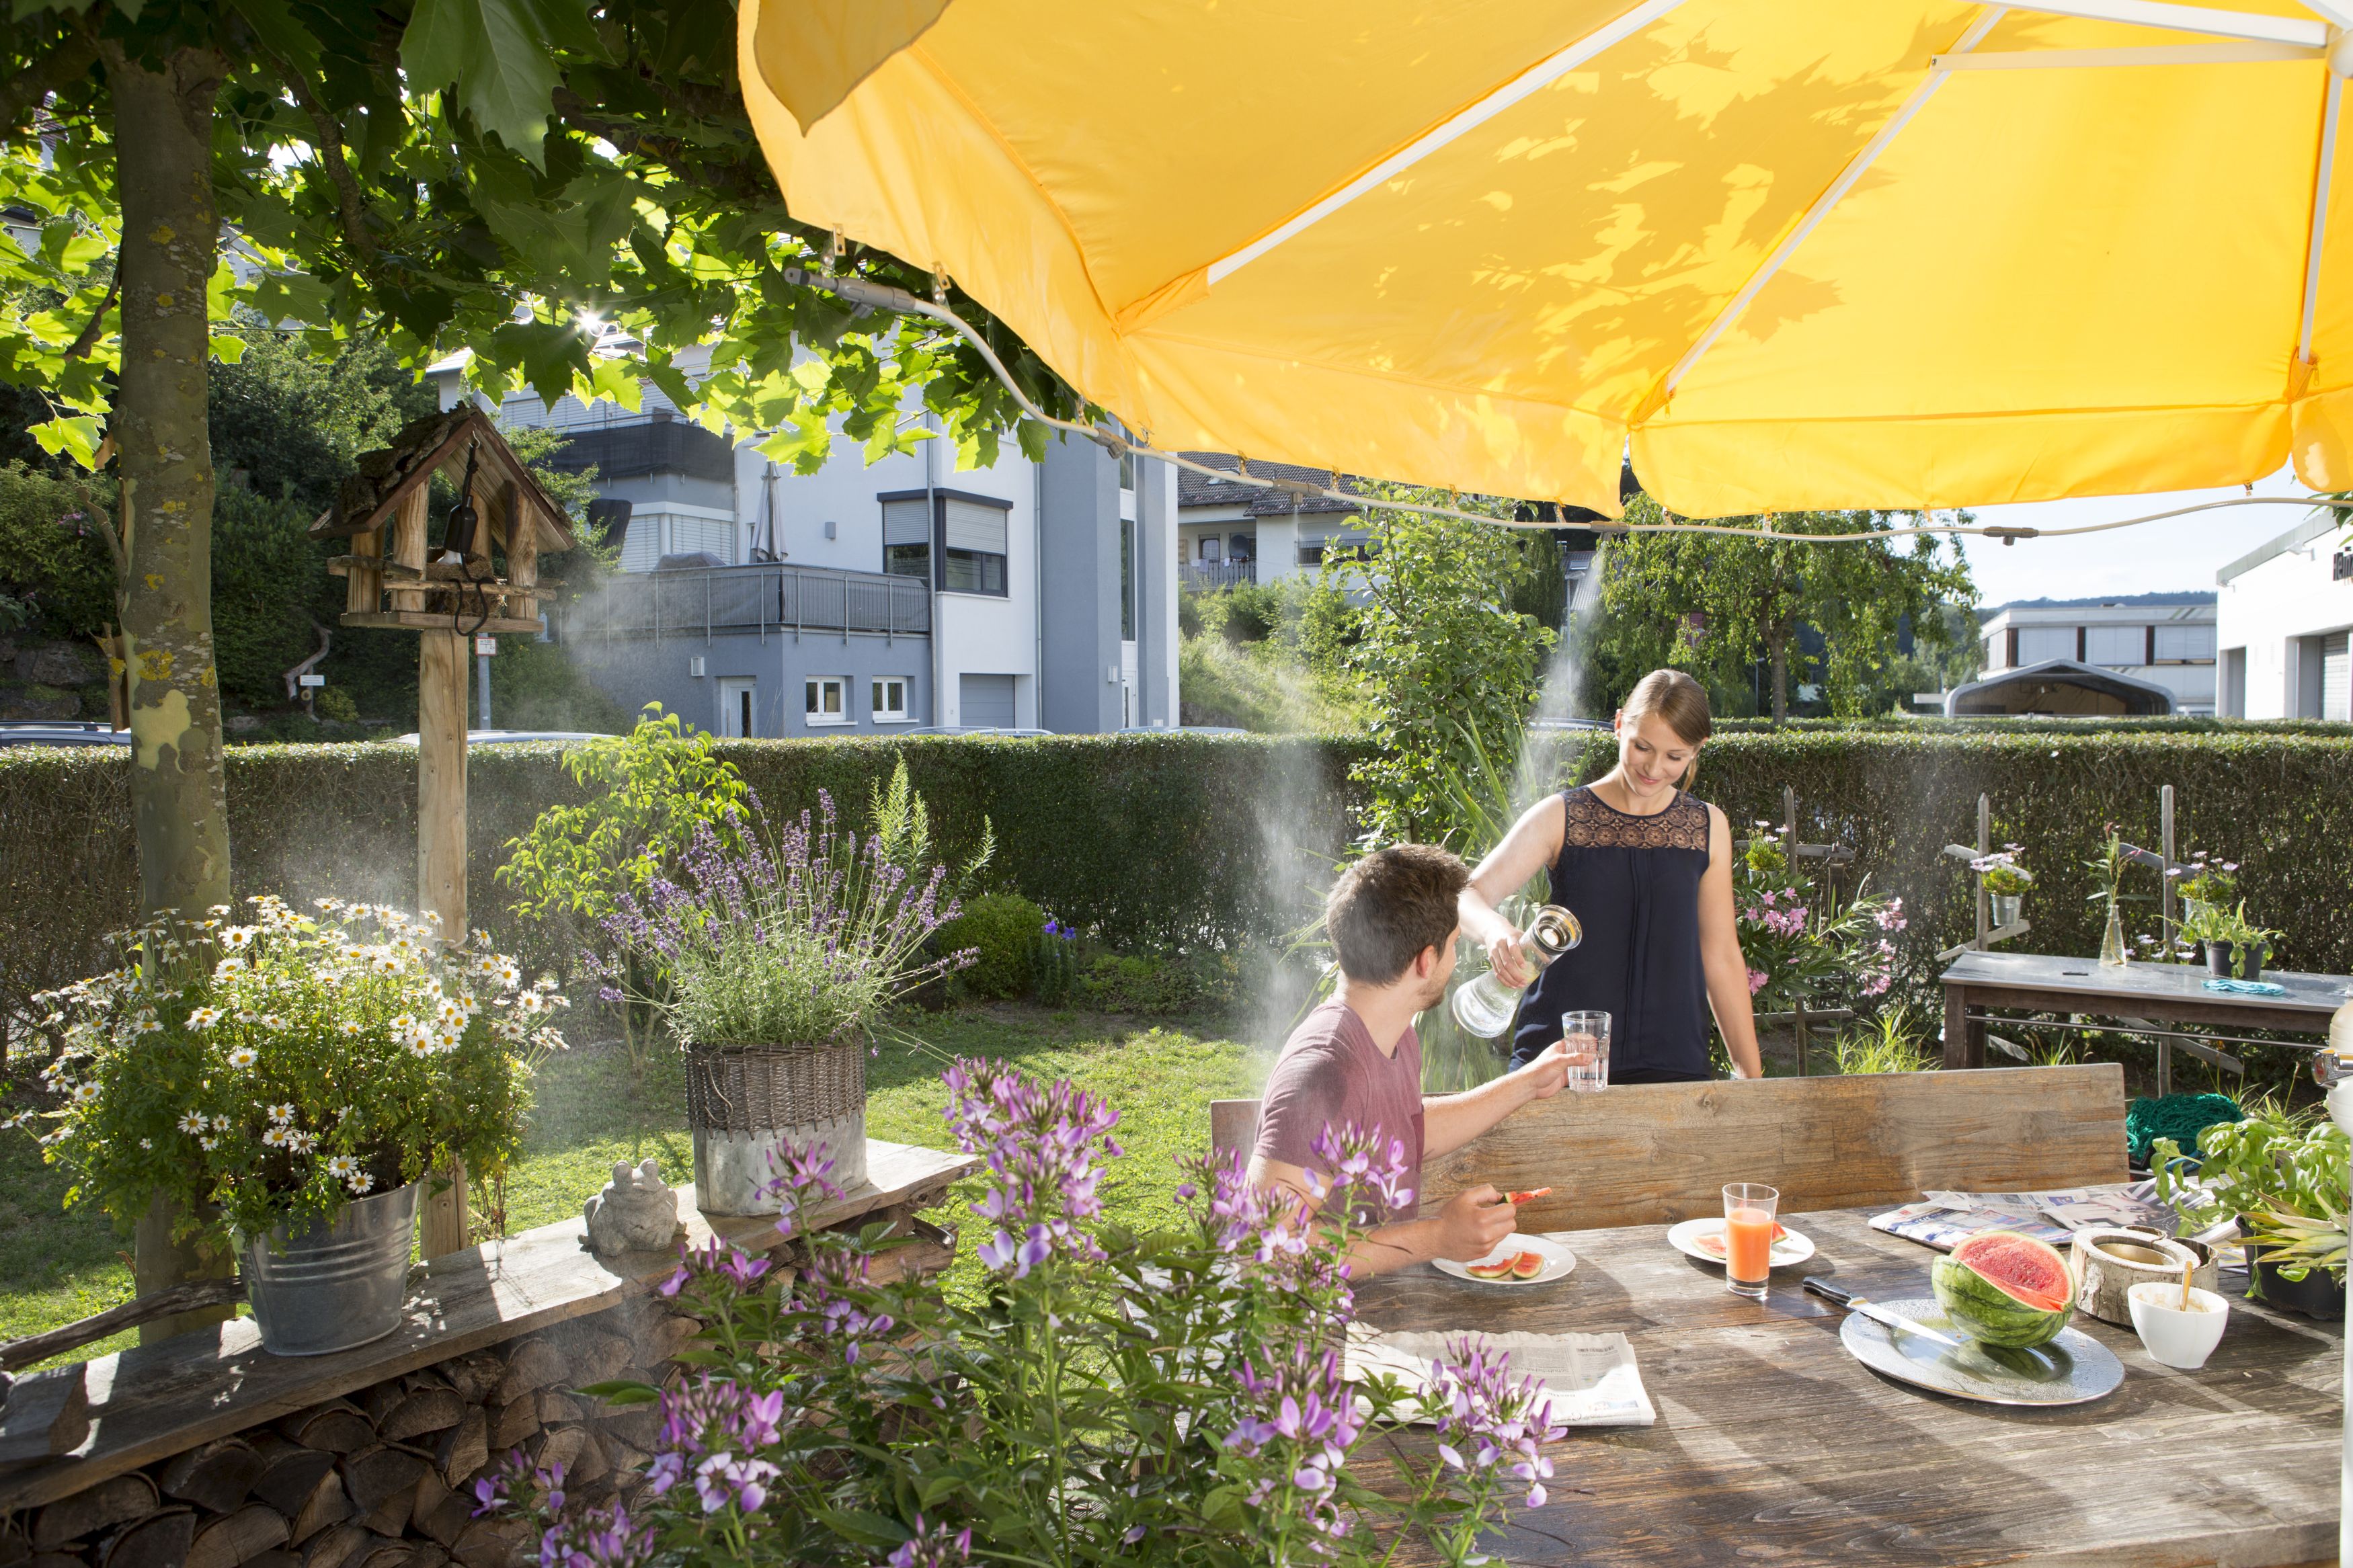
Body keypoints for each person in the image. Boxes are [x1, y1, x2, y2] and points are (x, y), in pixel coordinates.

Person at [1249, 843, 1574, 1276]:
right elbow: (1268, 1249)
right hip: (1325, 1332)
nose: (1456, 961)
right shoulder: (1324, 1070)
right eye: (1454, 945)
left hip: (1386, 1309)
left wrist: (1529, 1082)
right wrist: (1437, 1238)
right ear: (1426, 960)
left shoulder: (1394, 1034)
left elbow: (1403, 1132)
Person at [1458, 669, 1765, 1083]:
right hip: (1559, 1064)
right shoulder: (1561, 816)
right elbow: (1466, 896)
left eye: (1675, 756)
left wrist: (1752, 1079)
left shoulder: (1708, 827)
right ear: (1619, 725)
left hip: (1674, 1065)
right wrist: (1496, 931)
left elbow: (1722, 955)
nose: (1654, 768)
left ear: (1697, 750)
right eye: (1643, 747)